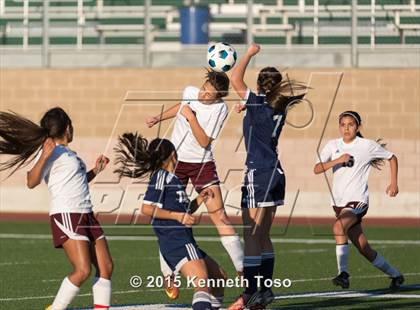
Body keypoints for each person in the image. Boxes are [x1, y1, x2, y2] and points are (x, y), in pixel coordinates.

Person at [0, 108, 113, 310]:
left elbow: (77, 182)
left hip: (86, 214)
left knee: (106, 267)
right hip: (68, 214)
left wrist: (95, 171)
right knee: (82, 270)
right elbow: (31, 181)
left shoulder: (70, 154)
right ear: (67, 128)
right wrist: (44, 156)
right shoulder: (50, 151)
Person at [146, 69, 244, 299]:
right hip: (176, 162)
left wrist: (192, 118)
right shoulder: (190, 91)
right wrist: (158, 118)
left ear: (218, 97)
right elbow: (181, 107)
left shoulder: (220, 109)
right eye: (204, 89)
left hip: (202, 163)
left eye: (209, 94)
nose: (203, 95)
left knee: (219, 215)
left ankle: (242, 267)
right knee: (167, 218)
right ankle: (168, 272)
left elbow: (203, 142)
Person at [228, 43, 307, 310]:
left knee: (250, 234)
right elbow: (259, 109)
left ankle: (250, 291)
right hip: (276, 172)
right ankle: (264, 289)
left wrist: (249, 53)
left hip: (258, 172)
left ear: (260, 85)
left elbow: (234, 78)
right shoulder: (279, 106)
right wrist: (245, 106)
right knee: (263, 236)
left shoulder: (257, 101)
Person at [114, 132, 226, 310]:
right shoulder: (161, 177)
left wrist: (200, 198)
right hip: (176, 241)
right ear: (173, 154)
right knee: (202, 283)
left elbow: (185, 209)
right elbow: (147, 208)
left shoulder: (173, 180)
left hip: (184, 241)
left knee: (219, 277)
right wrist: (178, 216)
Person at [313, 110, 404, 290]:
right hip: (339, 204)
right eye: (342, 125)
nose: (346, 128)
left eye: (351, 125)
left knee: (338, 227)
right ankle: (396, 275)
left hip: (358, 201)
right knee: (364, 248)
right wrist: (337, 160)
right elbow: (317, 169)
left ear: (358, 127)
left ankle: (343, 274)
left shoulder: (366, 145)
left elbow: (392, 158)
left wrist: (393, 183)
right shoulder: (332, 145)